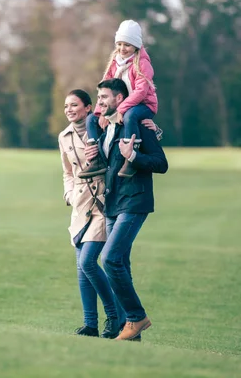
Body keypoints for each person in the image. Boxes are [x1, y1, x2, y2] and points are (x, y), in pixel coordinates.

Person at [58, 89, 158, 339]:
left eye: (74, 105)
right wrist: (68, 194)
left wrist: (154, 130)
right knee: (82, 266)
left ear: (88, 108)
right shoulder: (64, 136)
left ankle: (116, 318)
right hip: (80, 205)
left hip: (104, 202)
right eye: (66, 106)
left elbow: (129, 133)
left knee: (90, 261)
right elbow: (67, 172)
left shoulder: (102, 128)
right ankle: (91, 323)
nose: (69, 110)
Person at [84, 78, 168, 341]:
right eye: (98, 98)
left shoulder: (139, 126)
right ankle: (129, 331)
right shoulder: (106, 129)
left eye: (104, 98)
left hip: (134, 201)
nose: (99, 103)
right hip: (113, 203)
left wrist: (133, 156)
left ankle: (137, 317)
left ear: (120, 99)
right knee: (121, 264)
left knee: (109, 258)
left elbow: (161, 163)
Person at [79, 19, 161, 180]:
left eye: (127, 45)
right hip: (119, 104)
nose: (122, 49)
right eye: (120, 44)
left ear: (136, 46)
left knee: (130, 116)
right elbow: (104, 89)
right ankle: (96, 158)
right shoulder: (114, 63)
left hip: (143, 105)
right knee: (91, 120)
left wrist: (122, 109)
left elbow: (141, 91)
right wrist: (100, 112)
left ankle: (130, 157)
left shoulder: (142, 64)